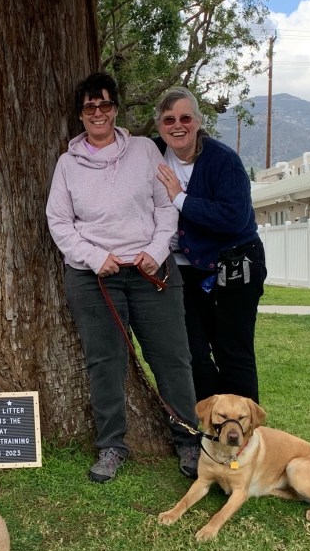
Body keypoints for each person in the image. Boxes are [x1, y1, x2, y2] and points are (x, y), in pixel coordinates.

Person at [46, 71, 201, 483]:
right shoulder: (67, 164)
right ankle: (112, 446)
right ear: (80, 115)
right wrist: (95, 257)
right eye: (89, 107)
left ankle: (188, 439)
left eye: (105, 105)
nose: (98, 113)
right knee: (105, 362)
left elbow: (166, 206)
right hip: (95, 276)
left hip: (153, 272)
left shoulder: (145, 150)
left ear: (116, 108)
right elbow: (59, 221)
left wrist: (154, 252)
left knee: (172, 357)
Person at [154, 86, 267, 402]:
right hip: (184, 272)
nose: (178, 125)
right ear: (159, 125)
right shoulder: (151, 153)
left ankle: (244, 433)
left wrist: (179, 197)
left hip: (234, 264)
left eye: (186, 117)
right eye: (169, 119)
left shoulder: (222, 161)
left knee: (233, 350)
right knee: (192, 352)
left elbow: (233, 217)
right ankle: (211, 425)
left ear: (198, 121)